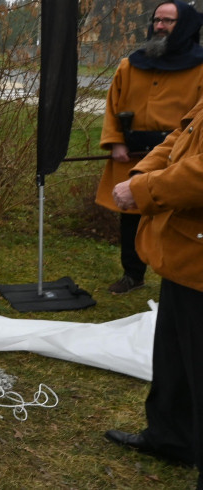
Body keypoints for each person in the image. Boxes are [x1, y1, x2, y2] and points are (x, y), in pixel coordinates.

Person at [107, 83, 203, 489]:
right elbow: (181, 136)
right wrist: (142, 176)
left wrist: (146, 190)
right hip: (185, 259)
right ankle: (171, 438)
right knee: (175, 359)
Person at [96, 0, 203, 295]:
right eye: (157, 19)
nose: (159, 26)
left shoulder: (201, 67)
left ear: (185, 27)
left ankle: (174, 274)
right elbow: (112, 105)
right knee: (130, 216)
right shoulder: (131, 64)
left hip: (177, 159)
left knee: (174, 217)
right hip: (131, 155)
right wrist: (116, 141)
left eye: (168, 21)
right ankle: (133, 274)